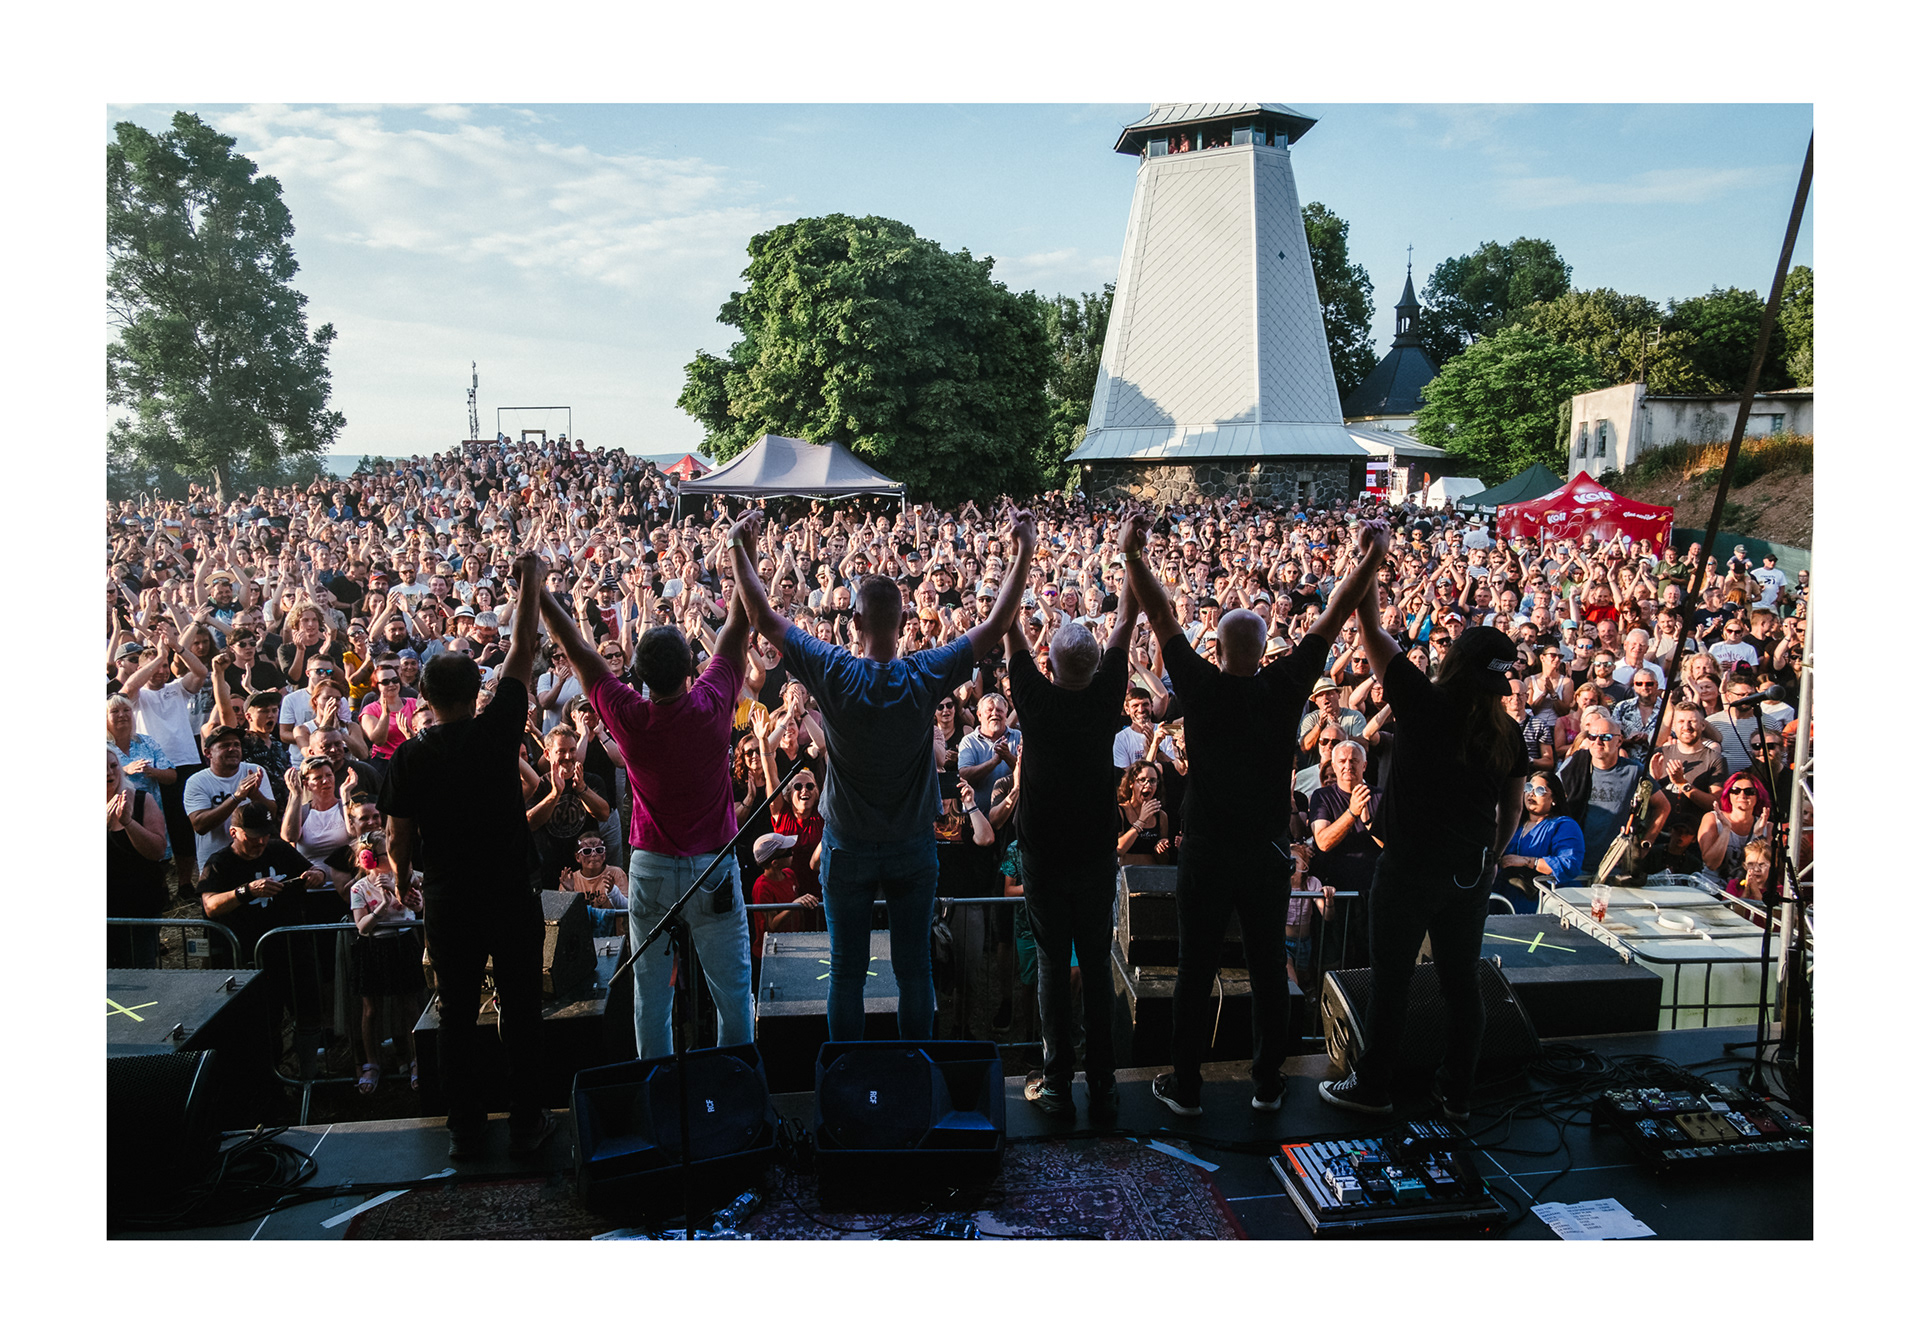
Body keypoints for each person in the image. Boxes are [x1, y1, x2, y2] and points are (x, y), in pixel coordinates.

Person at [727, 504, 1037, 1042]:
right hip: (911, 848)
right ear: (902, 622)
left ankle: (848, 1069)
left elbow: (760, 615)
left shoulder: (833, 668)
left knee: (846, 974)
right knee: (914, 969)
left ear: (854, 622)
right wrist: (1023, 549)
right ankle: (914, 1066)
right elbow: (997, 622)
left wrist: (740, 548)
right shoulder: (925, 671)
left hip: (847, 846)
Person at [1123, 509, 1388, 1118]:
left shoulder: (1200, 684)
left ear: (1217, 650)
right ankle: (1268, 1085)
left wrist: (1134, 553)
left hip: (1207, 852)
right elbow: (1334, 613)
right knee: (1269, 967)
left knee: (1194, 969)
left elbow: (1160, 616)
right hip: (1266, 853)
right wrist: (1370, 558)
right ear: (1264, 650)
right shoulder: (1286, 683)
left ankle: (1186, 1087)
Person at [1318, 522, 1527, 1123]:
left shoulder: (1421, 699)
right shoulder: (1508, 733)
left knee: (1392, 981)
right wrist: (1491, 856)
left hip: (1409, 868)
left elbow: (1369, 627)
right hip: (1467, 874)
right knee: (1461, 984)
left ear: (1453, 660)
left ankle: (1374, 1086)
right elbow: (1511, 809)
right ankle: (1457, 1093)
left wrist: (1373, 557)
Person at [536, 567, 756, 1064]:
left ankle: (656, 1088)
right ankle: (734, 1088)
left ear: (638, 671)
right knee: (732, 992)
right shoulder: (711, 703)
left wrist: (541, 593)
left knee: (650, 996)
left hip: (652, 868)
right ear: (690, 669)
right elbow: (736, 628)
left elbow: (578, 649)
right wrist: (741, 553)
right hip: (712, 868)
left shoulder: (629, 714)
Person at [380, 552, 557, 1161]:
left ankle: (464, 1130)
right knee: (521, 1008)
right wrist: (531, 582)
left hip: (449, 898)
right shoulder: (498, 727)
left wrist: (401, 878)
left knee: (456, 1013)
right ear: (476, 691)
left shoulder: (409, 756)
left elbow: (397, 837)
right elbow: (523, 650)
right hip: (508, 892)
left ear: (423, 696)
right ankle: (527, 1122)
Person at [1003, 587, 1136, 1123]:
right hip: (1096, 855)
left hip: (1044, 859)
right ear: (1097, 666)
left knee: (1054, 965)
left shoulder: (1035, 700)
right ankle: (1103, 1083)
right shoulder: (1106, 698)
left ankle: (1057, 1083)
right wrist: (1131, 560)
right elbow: (1124, 623)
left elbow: (1010, 627)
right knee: (1097, 965)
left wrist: (1020, 555)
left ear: (1049, 665)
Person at [345, 827, 426, 1095]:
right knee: (371, 1009)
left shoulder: (408, 878)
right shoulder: (359, 888)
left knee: (409, 1004)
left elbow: (418, 907)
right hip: (373, 947)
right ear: (368, 859)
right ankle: (371, 1063)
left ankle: (417, 1059)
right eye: (386, 855)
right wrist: (382, 905)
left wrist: (398, 889)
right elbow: (362, 926)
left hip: (403, 943)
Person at [1559, 708, 1670, 880]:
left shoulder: (1634, 771)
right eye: (1592, 737)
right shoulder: (1574, 765)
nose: (1598, 742)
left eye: (1606, 737)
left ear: (1619, 741)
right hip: (1574, 861)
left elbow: (1663, 806)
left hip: (1614, 866)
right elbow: (1552, 797)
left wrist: (1645, 844)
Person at [108, 749, 170, 970]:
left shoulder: (142, 800)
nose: (109, 773)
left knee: (140, 972)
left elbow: (157, 851)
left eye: (113, 766)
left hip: (140, 907)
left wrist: (128, 823)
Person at [1493, 772, 1586, 914]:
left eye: (1539, 790)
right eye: (1528, 788)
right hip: (1503, 892)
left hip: (1540, 900)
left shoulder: (1564, 826)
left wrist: (1528, 861)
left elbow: (1569, 865)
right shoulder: (1514, 824)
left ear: (1554, 799)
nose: (1531, 794)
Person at [183, 723, 271, 872]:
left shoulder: (254, 771)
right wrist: (236, 798)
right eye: (225, 746)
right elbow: (200, 825)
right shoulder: (197, 781)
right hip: (215, 861)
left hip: (254, 855)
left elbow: (271, 814)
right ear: (208, 753)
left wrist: (256, 795)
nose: (232, 749)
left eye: (237, 744)